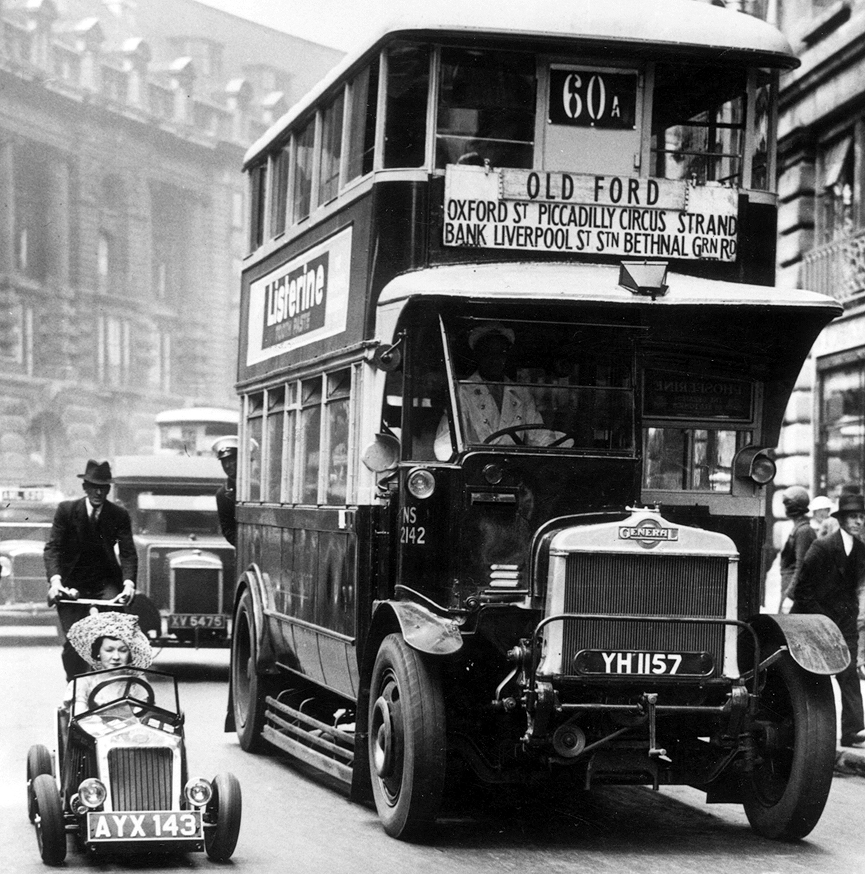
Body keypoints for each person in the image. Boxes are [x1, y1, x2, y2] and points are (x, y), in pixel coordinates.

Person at [44, 459, 137, 681]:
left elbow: (127, 552)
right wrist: (56, 583)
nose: (98, 492)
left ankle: (114, 688)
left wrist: (128, 584)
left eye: (103, 487)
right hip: (71, 585)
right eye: (93, 487)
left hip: (105, 583)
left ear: (108, 489)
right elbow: (53, 548)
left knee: (115, 638)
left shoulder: (118, 514)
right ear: (84, 487)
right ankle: (74, 688)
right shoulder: (66, 511)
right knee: (74, 642)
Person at [792, 491, 865, 747]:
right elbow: (801, 589)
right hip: (814, 619)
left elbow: (854, 587)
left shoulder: (860, 549)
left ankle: (852, 730)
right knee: (812, 676)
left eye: (861, 517)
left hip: (844, 621)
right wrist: (820, 618)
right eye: (853, 517)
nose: (858, 522)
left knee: (848, 671)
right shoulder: (822, 546)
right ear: (842, 519)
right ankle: (806, 733)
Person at [435, 323, 548, 458]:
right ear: (477, 355)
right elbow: (445, 443)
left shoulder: (521, 392)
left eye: (501, 353)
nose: (495, 359)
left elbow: (538, 435)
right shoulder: (463, 392)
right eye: (488, 352)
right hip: (478, 466)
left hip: (514, 466)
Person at [63, 611, 153, 715]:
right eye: (109, 650)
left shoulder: (136, 683)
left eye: (123, 650)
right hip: (92, 730)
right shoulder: (82, 683)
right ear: (98, 653)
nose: (116, 657)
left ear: (130, 655)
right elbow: (79, 717)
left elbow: (144, 716)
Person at [777, 486, 816, 611]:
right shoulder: (799, 529)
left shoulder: (803, 531)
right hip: (791, 589)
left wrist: (789, 593)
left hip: (795, 593)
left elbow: (801, 566)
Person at [213, 435, 238, 546]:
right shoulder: (223, 494)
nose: (227, 465)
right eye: (224, 461)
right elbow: (228, 530)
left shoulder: (258, 486)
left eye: (232, 460)